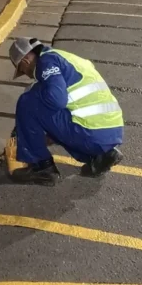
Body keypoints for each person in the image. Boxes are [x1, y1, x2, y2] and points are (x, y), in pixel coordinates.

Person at [8, 37, 124, 186]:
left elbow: (57, 100)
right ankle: (101, 156)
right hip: (110, 131)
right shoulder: (63, 57)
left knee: (27, 101)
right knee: (41, 98)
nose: (27, 75)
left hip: (92, 133)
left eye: (22, 71)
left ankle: (41, 166)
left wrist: (36, 129)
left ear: (25, 61)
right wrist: (52, 132)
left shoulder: (46, 62)